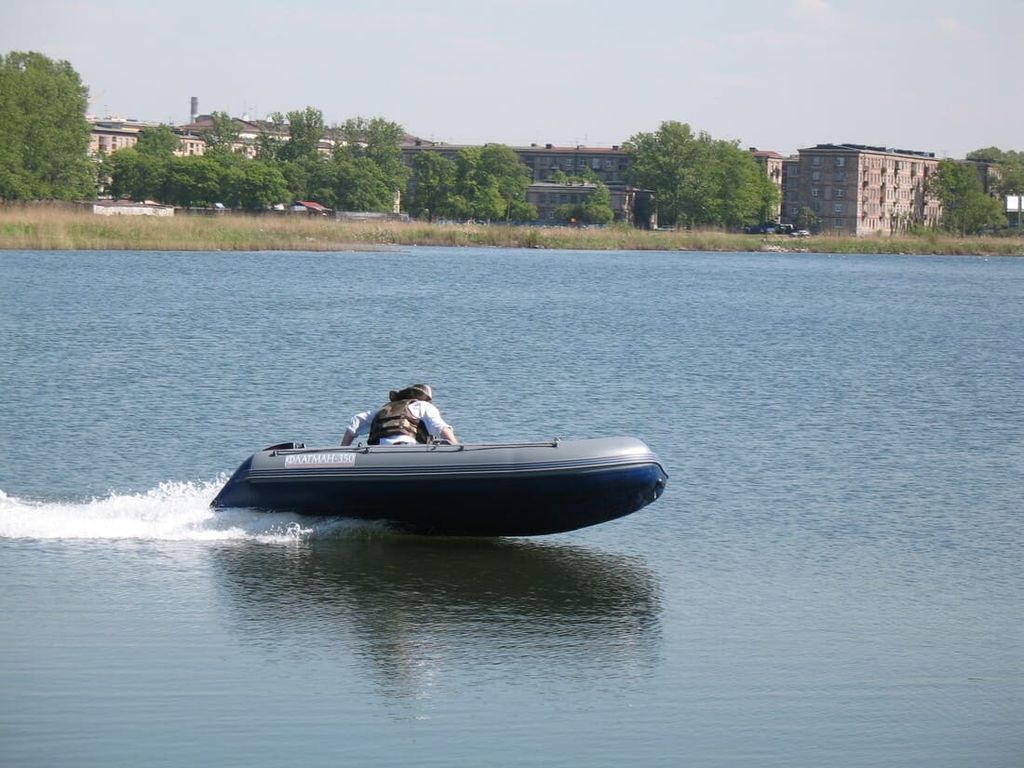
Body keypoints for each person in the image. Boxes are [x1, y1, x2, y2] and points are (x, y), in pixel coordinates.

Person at [341, 384, 458, 446]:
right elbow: (441, 428)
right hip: (409, 449)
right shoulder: (423, 406)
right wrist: (457, 448)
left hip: (380, 452)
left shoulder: (384, 409)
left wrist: (342, 452)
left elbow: (356, 421)